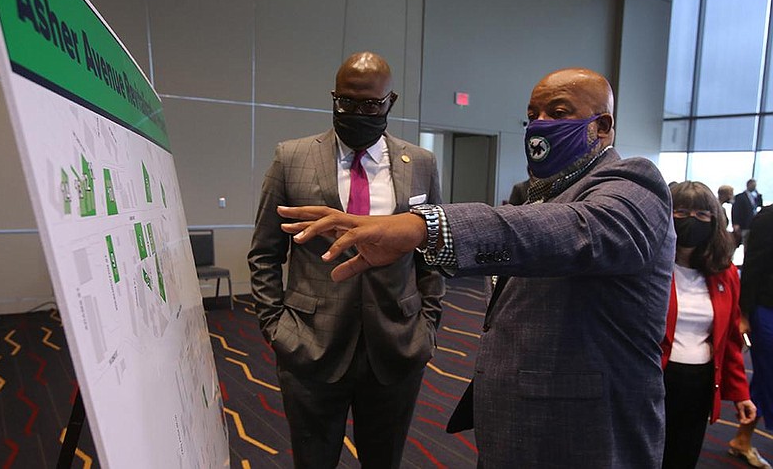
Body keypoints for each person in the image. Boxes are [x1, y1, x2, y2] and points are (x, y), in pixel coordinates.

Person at [278, 67, 676, 467]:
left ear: (603, 126)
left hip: (585, 436)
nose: (540, 125)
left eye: (558, 112)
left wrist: (425, 225)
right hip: (515, 427)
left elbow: (575, 233)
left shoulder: (633, 184)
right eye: (532, 114)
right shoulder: (531, 196)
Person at [247, 52, 445, 468]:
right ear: (334, 98)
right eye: (347, 102)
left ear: (390, 102)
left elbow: (432, 250)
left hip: (397, 344)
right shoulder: (291, 157)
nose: (358, 112)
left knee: (383, 459)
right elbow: (265, 252)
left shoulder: (421, 164)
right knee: (313, 458)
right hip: (310, 344)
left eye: (371, 104)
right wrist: (275, 327)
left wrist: (427, 325)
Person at [660, 181, 757, 469]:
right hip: (654, 382)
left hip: (700, 384)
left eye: (703, 214)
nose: (693, 220)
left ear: (714, 220)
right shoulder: (647, 268)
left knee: (684, 457)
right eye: (682, 212)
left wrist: (740, 393)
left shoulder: (724, 273)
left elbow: (729, 340)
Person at [729, 204, 773, 469]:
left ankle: (742, 440)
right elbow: (754, 268)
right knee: (769, 377)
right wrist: (743, 314)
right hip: (766, 309)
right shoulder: (768, 218)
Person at [733, 179, 764, 245]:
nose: (754, 187)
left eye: (755, 186)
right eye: (752, 185)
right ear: (748, 185)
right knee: (744, 240)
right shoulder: (740, 197)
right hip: (744, 223)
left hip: (752, 223)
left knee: (751, 243)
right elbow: (736, 210)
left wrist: (759, 195)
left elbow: (760, 205)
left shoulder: (755, 196)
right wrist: (735, 223)